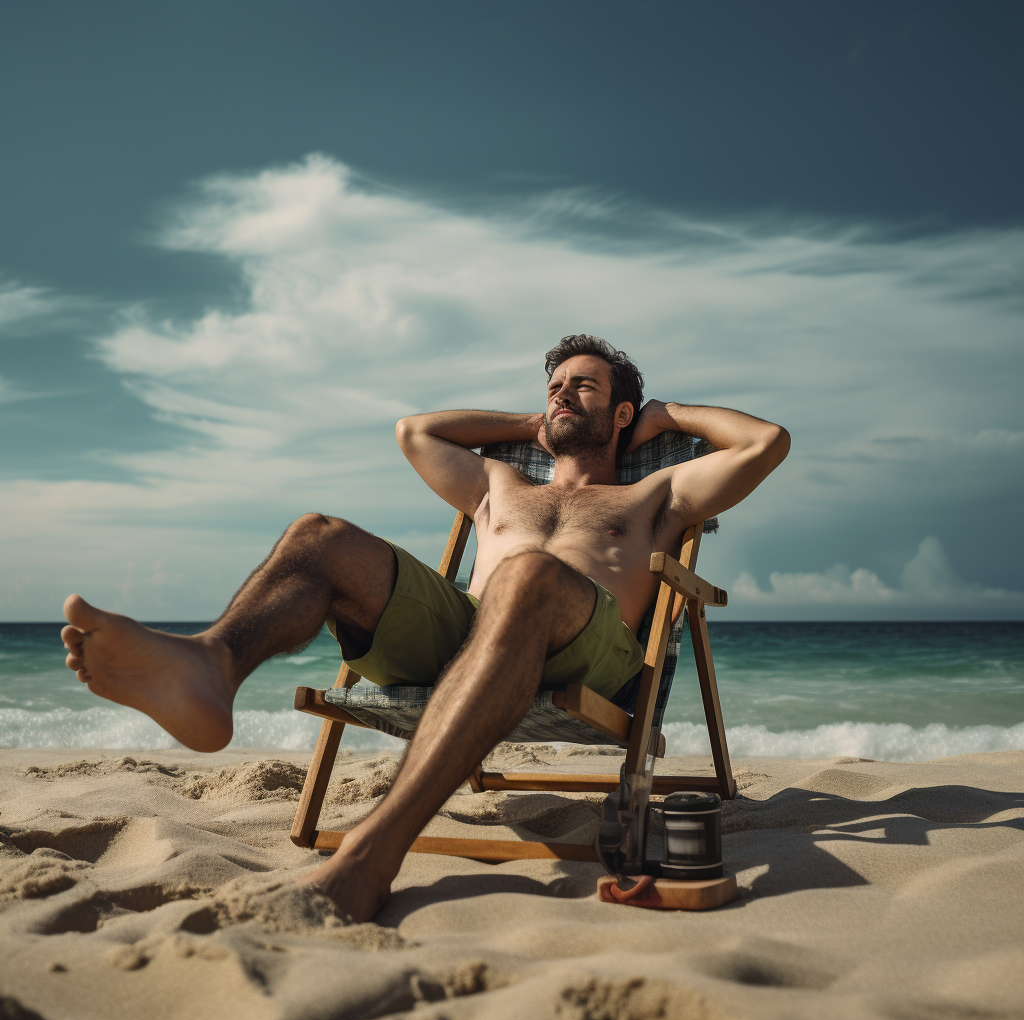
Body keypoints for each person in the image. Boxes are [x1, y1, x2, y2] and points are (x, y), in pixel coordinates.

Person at [61, 334, 789, 921]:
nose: (562, 394)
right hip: (471, 636)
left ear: (621, 415)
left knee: (526, 574)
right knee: (319, 535)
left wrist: (664, 413)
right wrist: (529, 427)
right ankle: (210, 666)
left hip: (588, 653)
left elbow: (767, 442)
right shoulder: (501, 482)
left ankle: (370, 858)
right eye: (554, 388)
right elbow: (415, 431)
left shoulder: (655, 493)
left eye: (584, 387)